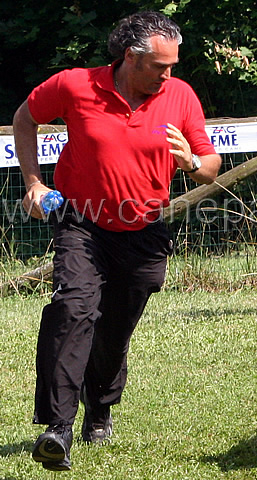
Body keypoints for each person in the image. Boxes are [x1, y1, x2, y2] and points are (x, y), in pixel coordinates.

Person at [13, 11, 222, 471]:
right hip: (81, 221)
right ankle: (57, 428)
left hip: (144, 229)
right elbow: (24, 118)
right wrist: (33, 183)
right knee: (73, 309)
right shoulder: (74, 85)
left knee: (114, 329)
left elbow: (211, 163)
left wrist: (190, 162)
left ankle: (100, 405)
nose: (168, 75)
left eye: (173, 66)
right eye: (160, 66)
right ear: (131, 56)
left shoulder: (180, 96)